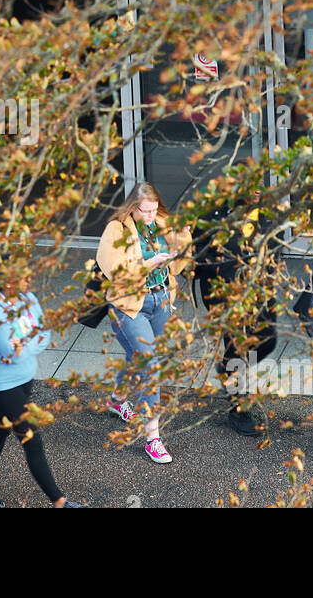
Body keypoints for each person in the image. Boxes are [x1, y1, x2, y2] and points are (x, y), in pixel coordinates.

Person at [0, 269, 83, 508]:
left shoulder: (27, 299)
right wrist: (28, 342)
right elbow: (12, 352)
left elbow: (44, 335)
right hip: (1, 385)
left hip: (23, 378)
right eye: (24, 277)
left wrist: (24, 344)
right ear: (7, 281)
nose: (29, 280)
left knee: (0, 429)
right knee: (31, 438)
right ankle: (59, 501)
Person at [96, 182, 192, 464]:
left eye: (153, 210)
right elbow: (115, 271)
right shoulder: (117, 229)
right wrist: (150, 264)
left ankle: (116, 400)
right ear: (133, 207)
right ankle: (153, 438)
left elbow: (178, 261)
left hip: (161, 300)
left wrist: (184, 239)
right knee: (148, 362)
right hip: (128, 304)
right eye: (145, 211)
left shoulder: (161, 222)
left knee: (137, 355)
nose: (150, 216)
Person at [191, 204, 279, 436]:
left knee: (268, 338)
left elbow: (274, 249)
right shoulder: (213, 216)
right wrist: (225, 267)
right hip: (224, 292)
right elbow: (196, 255)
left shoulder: (267, 215)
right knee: (236, 343)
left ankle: (230, 369)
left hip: (258, 290)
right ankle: (238, 408)